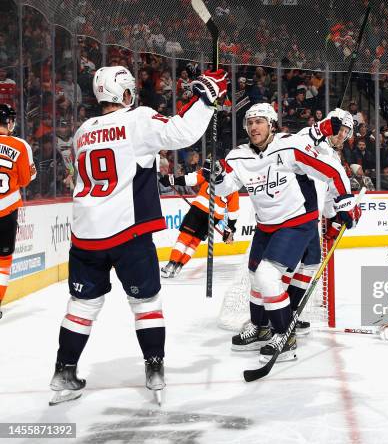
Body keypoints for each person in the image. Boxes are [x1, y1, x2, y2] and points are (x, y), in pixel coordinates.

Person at [49, 66, 227, 406]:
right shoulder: (138, 119)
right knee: (146, 303)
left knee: (81, 307)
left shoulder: (82, 131)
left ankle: (64, 370)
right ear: (126, 94)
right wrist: (207, 98)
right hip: (128, 232)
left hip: (85, 235)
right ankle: (155, 369)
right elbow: (182, 133)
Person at [215, 103, 361, 363]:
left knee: (271, 274)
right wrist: (216, 179)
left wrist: (342, 207)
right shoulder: (241, 155)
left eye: (259, 121)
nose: (253, 127)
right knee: (256, 276)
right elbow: (225, 188)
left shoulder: (291, 145)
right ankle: (262, 325)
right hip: (266, 224)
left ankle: (284, 332)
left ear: (271, 124)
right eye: (250, 122)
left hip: (298, 219)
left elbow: (331, 176)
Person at [158, 160, 239, 278]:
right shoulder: (233, 185)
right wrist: (230, 229)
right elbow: (234, 210)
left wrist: (172, 180)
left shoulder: (208, 171)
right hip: (214, 216)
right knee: (195, 242)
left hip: (199, 209)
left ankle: (171, 264)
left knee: (185, 237)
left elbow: (192, 179)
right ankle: (178, 267)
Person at [0, 104, 37, 318]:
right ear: (9, 122)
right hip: (7, 211)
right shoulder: (20, 145)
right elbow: (25, 180)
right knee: (3, 260)